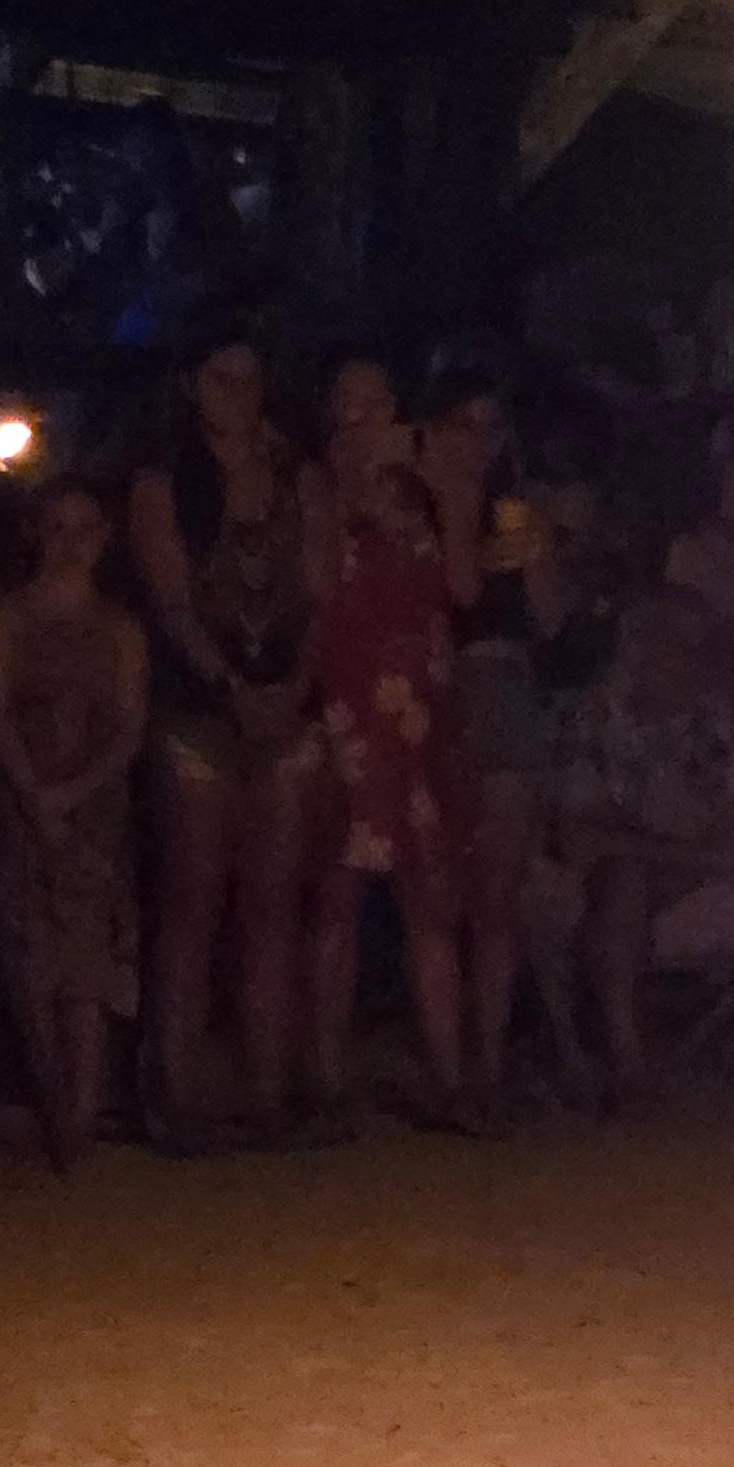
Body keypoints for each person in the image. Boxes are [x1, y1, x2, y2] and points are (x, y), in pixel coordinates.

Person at [125, 324, 321, 1146]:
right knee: (193, 901)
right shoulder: (163, 482)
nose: (235, 394)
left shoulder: (299, 478)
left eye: (248, 377)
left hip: (285, 703)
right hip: (202, 706)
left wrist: (296, 687)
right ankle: (172, 1091)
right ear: (191, 385)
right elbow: (171, 601)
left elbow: (319, 591)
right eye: (219, 377)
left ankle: (269, 1092)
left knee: (272, 904)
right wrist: (229, 686)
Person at [548, 589, 734, 1104]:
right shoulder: (596, 722)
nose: (695, 662)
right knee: (622, 884)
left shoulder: (714, 721)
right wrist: (684, 850)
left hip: (702, 865)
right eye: (681, 647)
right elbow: (578, 835)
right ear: (643, 650)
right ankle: (628, 1065)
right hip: (634, 872)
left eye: (699, 648)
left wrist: (714, 847)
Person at [310, 353, 483, 1121]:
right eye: (348, 401)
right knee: (336, 894)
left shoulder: (435, 481)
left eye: (376, 399)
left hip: (418, 706)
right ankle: (321, 1080)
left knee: (428, 893)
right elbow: (314, 587)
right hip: (347, 702)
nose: (364, 415)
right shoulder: (313, 482)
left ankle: (450, 1079)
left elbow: (466, 587)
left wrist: (447, 493)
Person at [0, 480, 149, 1155]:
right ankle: (41, 1102)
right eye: (56, 528)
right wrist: (32, 791)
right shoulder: (6, 618)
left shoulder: (120, 628)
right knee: (30, 954)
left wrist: (75, 793)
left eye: (84, 529)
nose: (70, 544)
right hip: (19, 799)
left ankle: (81, 1112)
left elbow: (128, 725)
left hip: (92, 805)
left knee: (87, 961)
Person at [432, 370, 568, 1107]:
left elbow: (549, 621)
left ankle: (486, 1061)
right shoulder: (419, 501)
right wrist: (458, 513)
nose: (481, 442)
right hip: (432, 693)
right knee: (439, 890)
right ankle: (450, 1064)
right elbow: (456, 593)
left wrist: (540, 551)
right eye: (466, 424)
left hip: (508, 693)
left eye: (493, 427)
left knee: (497, 893)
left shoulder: (523, 510)